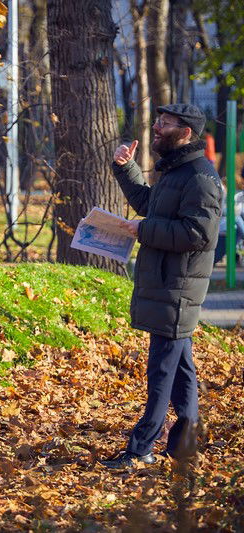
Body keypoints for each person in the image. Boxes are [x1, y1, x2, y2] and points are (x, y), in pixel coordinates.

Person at [100, 104, 222, 469]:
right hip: (168, 286)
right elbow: (150, 205)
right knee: (180, 368)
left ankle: (141, 449)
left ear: (185, 132)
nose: (156, 127)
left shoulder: (199, 177)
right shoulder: (177, 171)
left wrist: (143, 230)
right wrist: (126, 169)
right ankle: (184, 444)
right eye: (158, 120)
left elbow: (198, 234)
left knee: (161, 373)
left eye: (165, 123)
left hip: (178, 288)